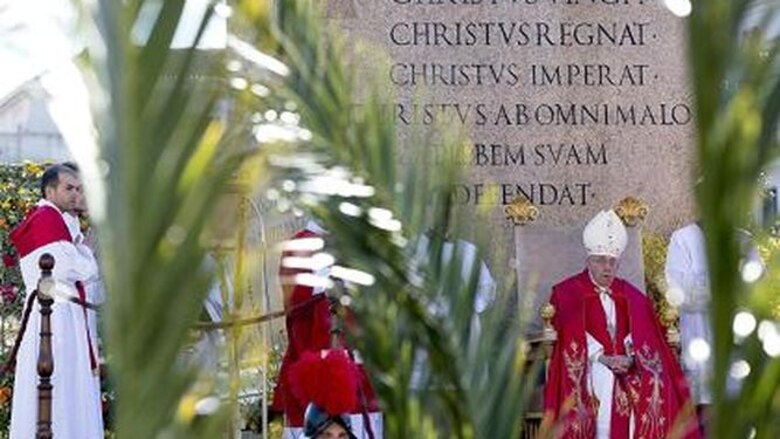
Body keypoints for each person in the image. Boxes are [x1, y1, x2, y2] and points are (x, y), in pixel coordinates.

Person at [543, 210, 700, 439]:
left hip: (629, 364)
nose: (607, 267)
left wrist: (631, 358)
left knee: (652, 381)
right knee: (606, 381)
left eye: (612, 262)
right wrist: (602, 357)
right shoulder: (567, 292)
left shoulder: (631, 294)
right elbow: (569, 336)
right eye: (600, 261)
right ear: (588, 261)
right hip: (591, 364)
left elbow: (647, 336)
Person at [8, 163, 104, 438]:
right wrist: (86, 250)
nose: (77, 195)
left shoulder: (60, 219)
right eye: (69, 188)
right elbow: (72, 268)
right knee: (60, 388)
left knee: (71, 390)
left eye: (80, 189)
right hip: (54, 320)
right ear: (50, 191)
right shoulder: (45, 219)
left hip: (67, 316)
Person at [272, 220, 382, 439]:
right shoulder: (301, 246)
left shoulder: (364, 242)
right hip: (317, 382)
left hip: (362, 383)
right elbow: (298, 304)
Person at [665, 223, 712, 414]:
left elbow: (756, 291)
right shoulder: (683, 238)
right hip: (702, 350)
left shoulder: (743, 238)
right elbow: (682, 293)